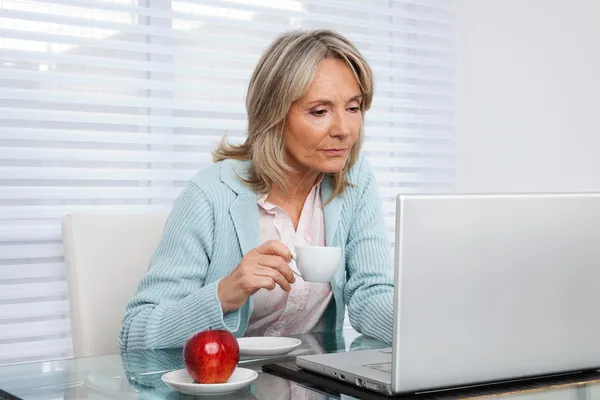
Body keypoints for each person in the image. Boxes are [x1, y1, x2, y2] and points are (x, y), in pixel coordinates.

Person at [119, 29, 394, 351]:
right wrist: (225, 294)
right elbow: (135, 334)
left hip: (314, 382)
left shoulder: (355, 182)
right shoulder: (209, 195)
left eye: (353, 108)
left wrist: (440, 329)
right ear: (273, 115)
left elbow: (370, 293)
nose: (344, 131)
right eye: (319, 111)